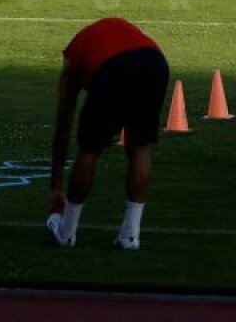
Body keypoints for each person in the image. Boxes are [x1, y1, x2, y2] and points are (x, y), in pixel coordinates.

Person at [48, 17, 170, 250]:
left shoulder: (73, 57)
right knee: (139, 144)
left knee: (90, 148)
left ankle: (67, 231)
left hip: (115, 68)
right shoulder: (105, 34)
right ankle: (130, 235)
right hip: (155, 63)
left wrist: (56, 186)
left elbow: (64, 125)